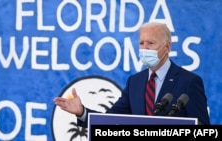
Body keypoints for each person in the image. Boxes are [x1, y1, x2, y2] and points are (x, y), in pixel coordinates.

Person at [54, 22, 210, 127]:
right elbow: (110, 121)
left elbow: (202, 128)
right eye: (141, 43)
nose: (144, 49)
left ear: (167, 47)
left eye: (151, 43)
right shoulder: (135, 82)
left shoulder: (189, 82)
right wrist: (82, 112)